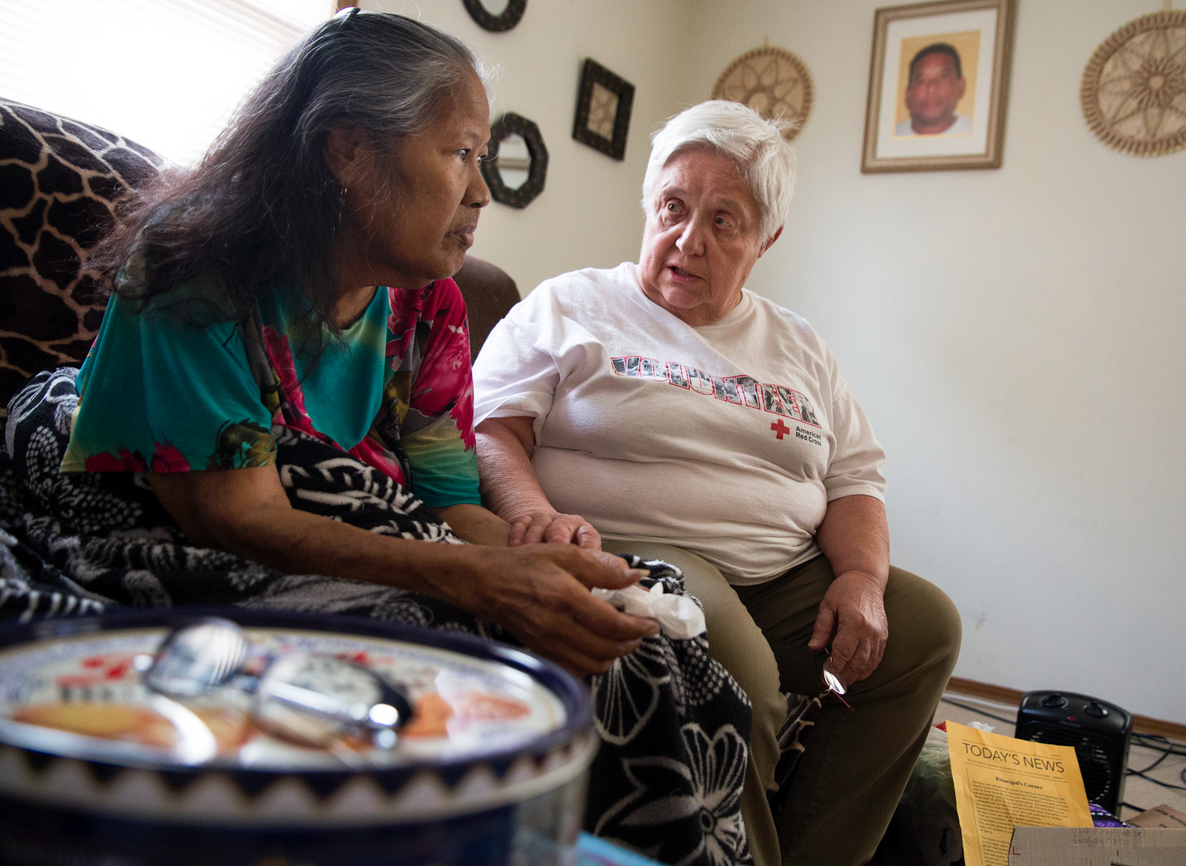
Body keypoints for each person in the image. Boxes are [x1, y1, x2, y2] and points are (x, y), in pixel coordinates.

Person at [58, 9, 660, 678]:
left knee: (642, 636)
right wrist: (484, 577)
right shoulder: (197, 267)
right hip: (166, 528)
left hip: (326, 534)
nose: (484, 192)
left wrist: (545, 556)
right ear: (346, 149)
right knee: (469, 649)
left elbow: (448, 502)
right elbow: (238, 519)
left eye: (482, 158)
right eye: (460, 152)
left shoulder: (430, 306)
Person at [473, 100, 962, 866]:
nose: (688, 239)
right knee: (735, 655)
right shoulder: (570, 304)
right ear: (649, 205)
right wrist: (533, 514)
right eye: (673, 207)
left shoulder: (799, 344)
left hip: (782, 572)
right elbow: (493, 429)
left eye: (724, 221)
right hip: (642, 551)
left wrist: (863, 577)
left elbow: (854, 478)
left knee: (925, 626)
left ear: (766, 238)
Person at [896, 43, 971, 136]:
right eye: (922, 81)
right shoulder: (889, 136)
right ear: (908, 95)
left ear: (961, 86)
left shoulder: (978, 132)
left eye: (943, 77)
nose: (932, 88)